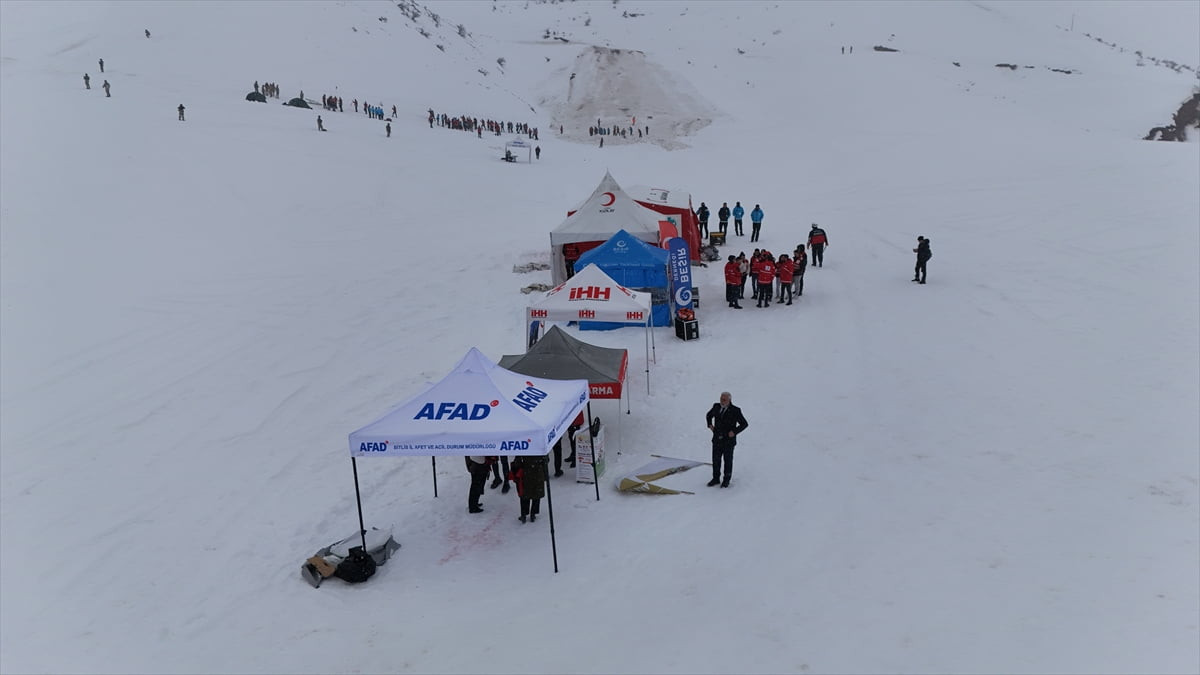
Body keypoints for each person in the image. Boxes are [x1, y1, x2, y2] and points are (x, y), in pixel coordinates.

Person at [705, 392, 749, 488]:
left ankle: (726, 480)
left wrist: (734, 431)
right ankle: (715, 478)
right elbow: (708, 415)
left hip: (728, 441)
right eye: (721, 399)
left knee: (727, 461)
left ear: (729, 400)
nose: (722, 401)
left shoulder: (735, 410)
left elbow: (744, 424)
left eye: (724, 399)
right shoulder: (716, 406)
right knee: (716, 460)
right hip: (717, 439)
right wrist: (710, 425)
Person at [509, 455, 547, 522]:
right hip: (538, 472)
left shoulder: (524, 447)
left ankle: (524, 514)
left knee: (524, 494)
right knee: (536, 493)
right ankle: (533, 513)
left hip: (526, 473)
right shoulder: (540, 447)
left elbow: (518, 461)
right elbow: (546, 460)